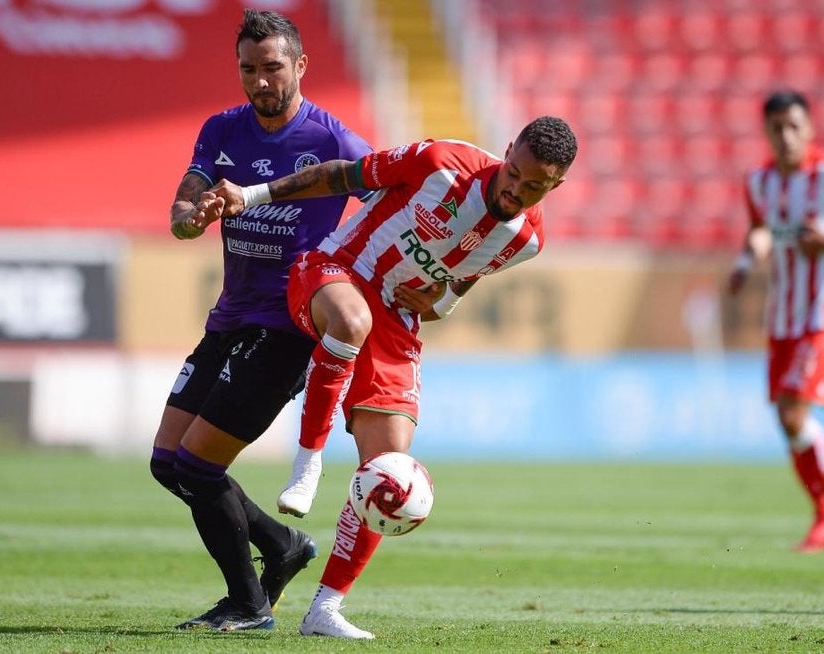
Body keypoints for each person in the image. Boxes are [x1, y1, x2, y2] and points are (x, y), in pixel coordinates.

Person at [192, 116, 578, 637]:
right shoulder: (442, 162)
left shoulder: (526, 241)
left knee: (391, 472)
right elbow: (340, 175)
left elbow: (459, 280)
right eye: (513, 172)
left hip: (396, 321)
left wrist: (441, 300)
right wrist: (253, 194)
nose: (516, 188)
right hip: (335, 272)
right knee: (352, 320)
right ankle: (308, 464)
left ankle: (325, 609)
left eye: (534, 186)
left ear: (556, 185)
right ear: (507, 151)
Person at [148, 8, 440, 633]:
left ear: (300, 66)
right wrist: (189, 216)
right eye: (248, 69)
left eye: (272, 68)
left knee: (199, 467)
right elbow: (183, 202)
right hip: (228, 319)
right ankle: (282, 546)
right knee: (168, 463)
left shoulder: (332, 140)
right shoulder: (222, 129)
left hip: (285, 327)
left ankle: (249, 604)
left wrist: (407, 274)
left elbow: (390, 197)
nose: (260, 82)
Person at [728, 89, 824, 553]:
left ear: (810, 128)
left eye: (794, 126)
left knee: (795, 410)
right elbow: (760, 230)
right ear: (767, 132)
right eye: (777, 128)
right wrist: (745, 259)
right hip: (783, 316)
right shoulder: (758, 181)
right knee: (786, 418)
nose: (786, 136)